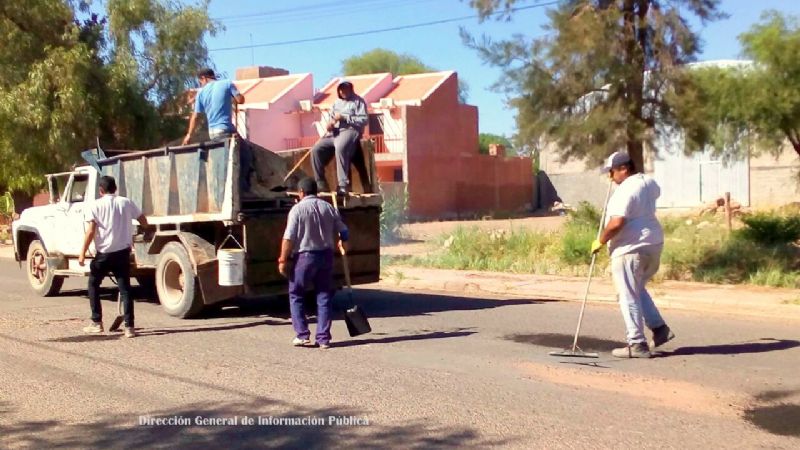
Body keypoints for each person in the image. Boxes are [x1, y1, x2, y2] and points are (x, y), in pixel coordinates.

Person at [591, 151, 675, 358]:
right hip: (653, 244)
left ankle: (637, 343)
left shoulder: (625, 190)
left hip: (630, 248)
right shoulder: (649, 183)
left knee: (627, 293)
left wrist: (600, 241)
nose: (610, 177)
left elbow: (617, 222)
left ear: (623, 169)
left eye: (611, 172)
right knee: (636, 289)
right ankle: (659, 329)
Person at [279, 178, 349, 349]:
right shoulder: (328, 207)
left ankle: (302, 335)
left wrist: (282, 259)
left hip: (305, 257)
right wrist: (343, 241)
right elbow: (344, 230)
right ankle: (323, 339)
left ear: (301, 192)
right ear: (316, 192)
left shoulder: (297, 209)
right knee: (324, 296)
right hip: (326, 256)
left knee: (296, 293)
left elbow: (289, 238)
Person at [78, 176, 148, 338]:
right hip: (122, 253)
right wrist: (145, 229)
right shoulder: (126, 202)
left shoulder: (95, 205)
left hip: (103, 254)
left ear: (100, 190)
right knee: (125, 290)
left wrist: (82, 253)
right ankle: (129, 327)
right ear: (115, 188)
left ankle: (96, 322)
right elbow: (143, 220)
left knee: (93, 285)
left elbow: (91, 231)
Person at [311, 80, 368, 195]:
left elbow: (364, 120)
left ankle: (343, 185)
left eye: (346, 89)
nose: (343, 91)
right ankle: (321, 182)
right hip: (335, 132)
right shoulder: (336, 103)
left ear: (351, 89)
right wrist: (329, 125)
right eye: (341, 89)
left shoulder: (359, 102)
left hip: (350, 130)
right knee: (316, 149)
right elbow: (331, 118)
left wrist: (344, 117)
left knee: (340, 147)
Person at [182, 68, 245, 144]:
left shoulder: (200, 93)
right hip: (226, 130)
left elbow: (195, 116)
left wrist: (189, 135)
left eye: (200, 83)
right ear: (204, 78)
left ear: (204, 78)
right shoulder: (227, 83)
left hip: (212, 134)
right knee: (247, 151)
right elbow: (240, 100)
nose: (201, 85)